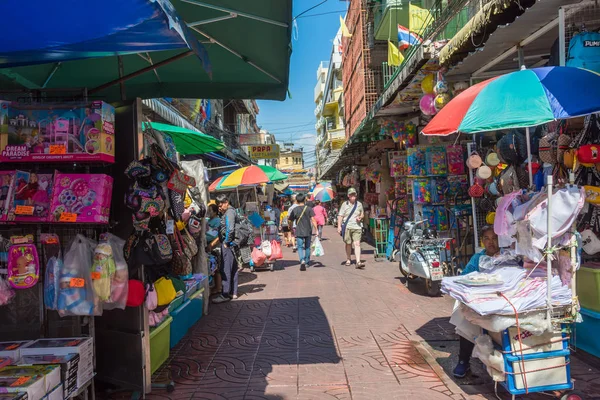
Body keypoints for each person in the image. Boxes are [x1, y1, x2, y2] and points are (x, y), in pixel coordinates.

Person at [453, 225, 500, 378]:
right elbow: (465, 277)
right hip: (480, 302)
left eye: (494, 238)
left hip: (500, 302)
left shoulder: (506, 257)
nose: (490, 242)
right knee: (467, 321)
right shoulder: (478, 258)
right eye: (486, 238)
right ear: (482, 241)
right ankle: (463, 361)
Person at [212, 194, 239, 304]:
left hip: (229, 244)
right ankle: (233, 292)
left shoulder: (229, 212)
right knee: (233, 267)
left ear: (226, 202)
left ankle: (225, 294)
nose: (219, 208)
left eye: (220, 205)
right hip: (233, 244)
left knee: (226, 268)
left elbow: (230, 229)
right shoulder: (230, 212)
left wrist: (226, 242)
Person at [288, 193, 317, 271]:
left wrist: (290, 227)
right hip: (308, 230)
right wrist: (316, 230)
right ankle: (307, 262)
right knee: (307, 247)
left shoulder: (295, 210)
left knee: (300, 247)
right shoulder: (309, 209)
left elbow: (290, 220)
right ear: (304, 200)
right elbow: (313, 220)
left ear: (296, 201)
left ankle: (302, 260)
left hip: (299, 230)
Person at [337, 188, 365, 268]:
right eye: (351, 195)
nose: (353, 197)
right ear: (348, 196)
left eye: (354, 195)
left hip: (357, 227)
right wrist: (339, 226)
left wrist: (360, 217)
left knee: (357, 243)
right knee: (348, 244)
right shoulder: (344, 204)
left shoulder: (359, 204)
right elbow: (340, 216)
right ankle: (348, 258)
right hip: (347, 227)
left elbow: (362, 214)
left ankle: (358, 261)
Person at [206, 203, 222, 295]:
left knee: (217, 268)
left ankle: (218, 288)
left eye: (210, 211)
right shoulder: (208, 220)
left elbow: (217, 235)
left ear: (215, 212)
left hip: (215, 247)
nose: (208, 212)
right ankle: (216, 286)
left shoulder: (217, 221)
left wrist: (211, 245)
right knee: (213, 267)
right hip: (209, 245)